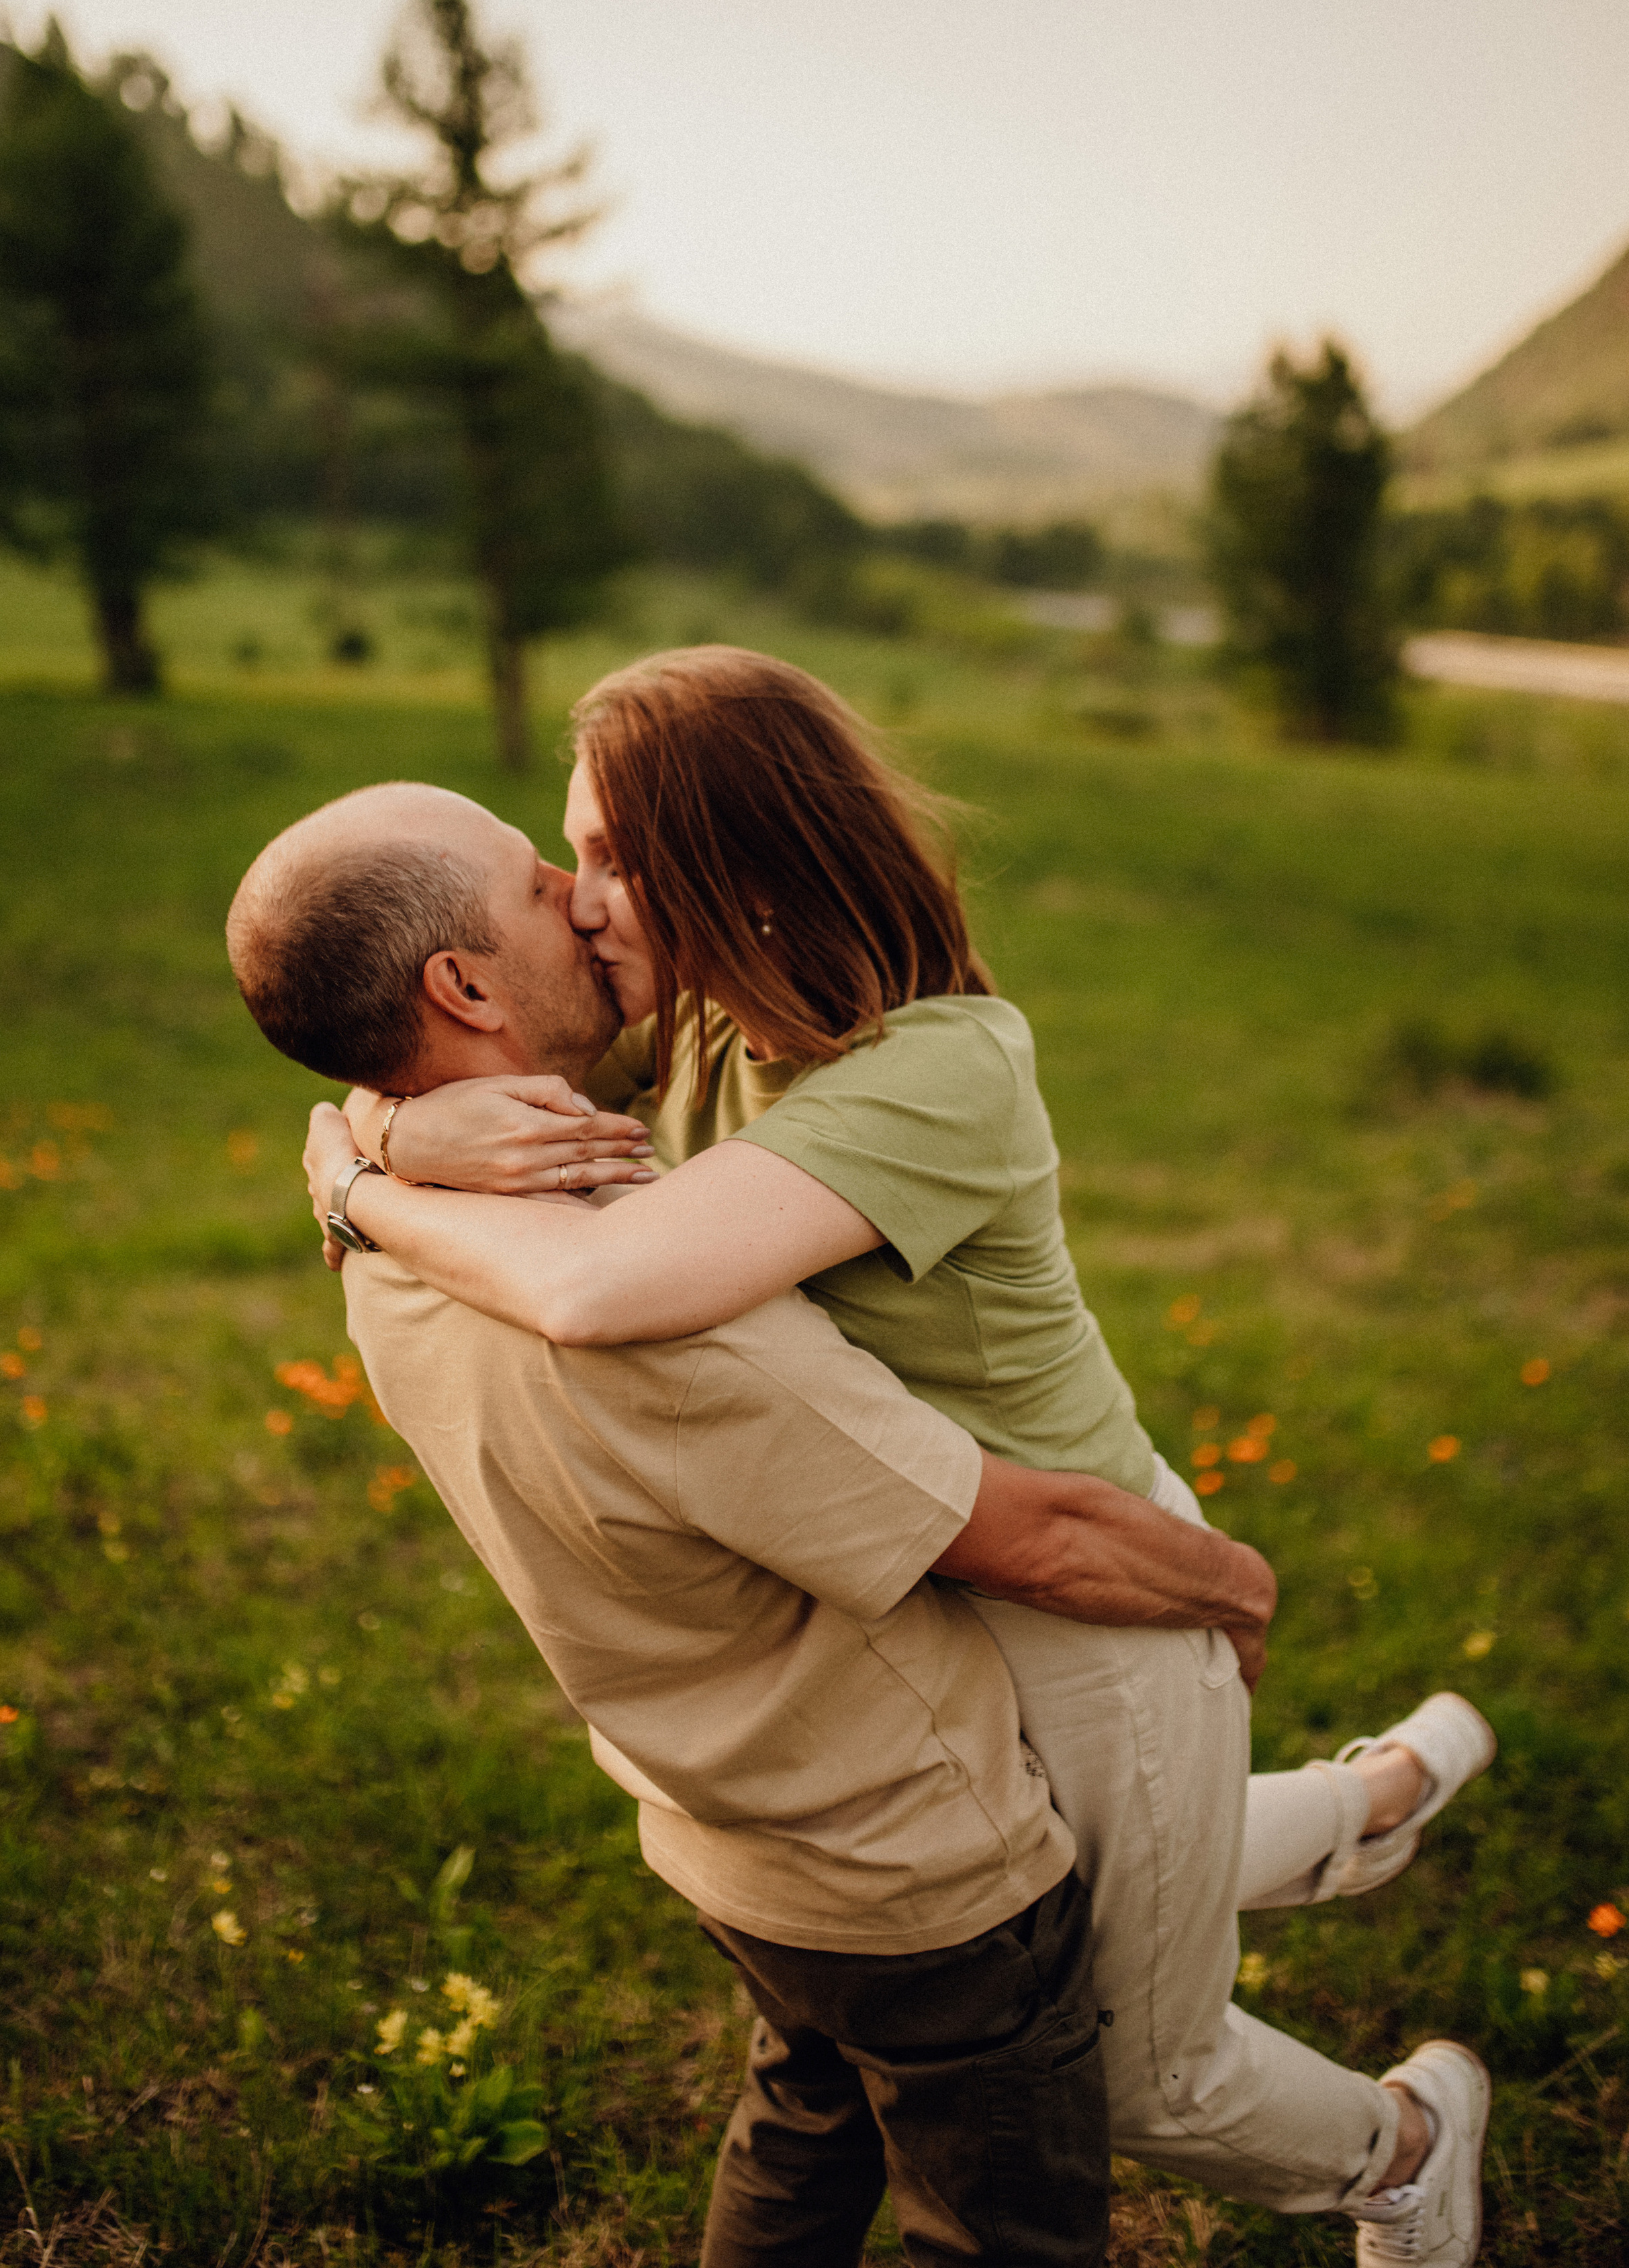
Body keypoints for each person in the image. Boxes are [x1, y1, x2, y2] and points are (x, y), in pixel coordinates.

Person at [310, 650, 1495, 2268]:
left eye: (601, 857)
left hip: (1081, 1585)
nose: (578, 905)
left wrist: (365, 1191)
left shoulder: (932, 1070)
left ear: (732, 867)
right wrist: (381, 1127)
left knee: (1144, 2075)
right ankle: (1352, 1806)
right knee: (1106, 1870)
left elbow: (588, 1286)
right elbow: (425, 1044)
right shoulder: (709, 1024)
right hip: (928, 1568)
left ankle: (1409, 2146)